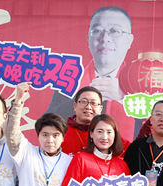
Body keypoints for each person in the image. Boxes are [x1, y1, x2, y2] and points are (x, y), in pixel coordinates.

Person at [47, 6, 136, 139]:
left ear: (129, 40)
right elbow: (48, 122)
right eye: (97, 31)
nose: (105, 38)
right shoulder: (70, 78)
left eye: (115, 31)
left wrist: (123, 99)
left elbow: (153, 125)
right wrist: (84, 99)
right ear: (88, 39)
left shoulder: (140, 83)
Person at [62, 86, 104, 156]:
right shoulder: (61, 132)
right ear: (75, 106)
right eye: (84, 102)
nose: (88, 107)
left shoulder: (108, 134)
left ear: (100, 109)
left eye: (93, 103)